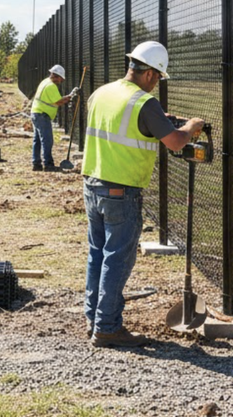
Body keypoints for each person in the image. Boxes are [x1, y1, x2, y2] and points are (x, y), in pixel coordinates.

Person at [82, 41, 204, 347]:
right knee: (117, 259)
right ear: (150, 74)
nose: (157, 84)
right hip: (121, 190)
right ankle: (107, 327)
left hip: (92, 184)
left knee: (97, 254)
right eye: (159, 78)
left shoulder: (102, 93)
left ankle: (94, 317)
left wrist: (160, 117)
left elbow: (123, 123)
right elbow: (175, 142)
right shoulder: (143, 103)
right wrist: (190, 127)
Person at [30, 64, 77, 171]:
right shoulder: (51, 86)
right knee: (47, 140)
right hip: (42, 115)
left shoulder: (44, 82)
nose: (61, 81)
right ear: (57, 76)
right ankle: (48, 164)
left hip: (36, 113)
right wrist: (69, 98)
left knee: (37, 140)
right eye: (61, 79)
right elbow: (59, 101)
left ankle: (36, 163)